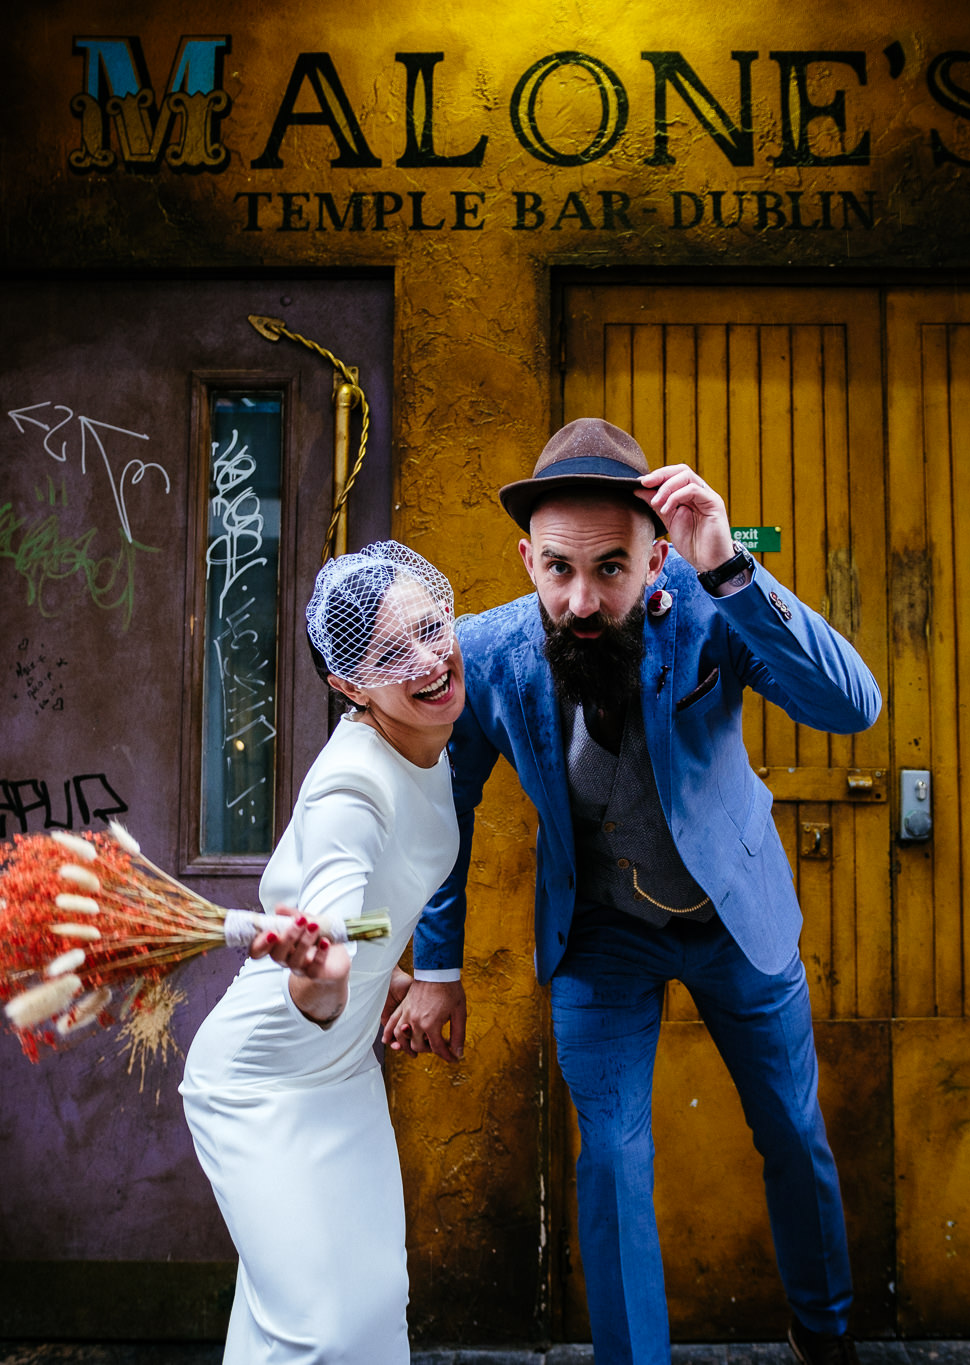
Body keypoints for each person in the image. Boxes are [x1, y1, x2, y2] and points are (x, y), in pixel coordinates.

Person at [383, 419, 882, 1365]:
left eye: (611, 568)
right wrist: (436, 968)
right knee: (612, 1158)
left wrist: (728, 569)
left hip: (735, 916)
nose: (581, 598)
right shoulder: (490, 654)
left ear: (655, 557)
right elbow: (446, 807)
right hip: (602, 933)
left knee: (792, 1129)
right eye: (558, 568)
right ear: (527, 559)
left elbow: (851, 705)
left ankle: (825, 1333)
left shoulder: (711, 607)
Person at [181, 541, 465, 1365]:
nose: (428, 660)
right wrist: (329, 978)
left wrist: (385, 971)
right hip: (260, 1082)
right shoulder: (352, 787)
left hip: (341, 1076)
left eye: (432, 628)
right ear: (349, 685)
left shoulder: (428, 731)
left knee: (372, 1308)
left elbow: (370, 917)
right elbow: (330, 937)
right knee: (320, 1330)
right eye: (391, 655)